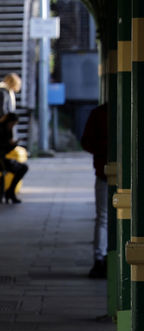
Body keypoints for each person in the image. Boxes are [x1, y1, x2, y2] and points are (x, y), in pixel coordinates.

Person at [81, 102, 109, 279]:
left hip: (104, 171)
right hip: (121, 173)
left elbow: (86, 142)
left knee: (103, 218)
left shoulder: (99, 113)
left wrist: (103, 152)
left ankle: (100, 258)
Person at [0, 112, 28, 203]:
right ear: (9, 122)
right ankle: (10, 192)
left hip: (1, 158)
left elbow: (6, 149)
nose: (12, 126)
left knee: (23, 167)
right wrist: (9, 144)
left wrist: (12, 145)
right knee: (22, 168)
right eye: (12, 124)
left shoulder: (7, 130)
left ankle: (10, 191)